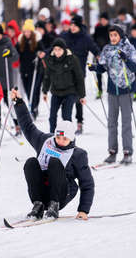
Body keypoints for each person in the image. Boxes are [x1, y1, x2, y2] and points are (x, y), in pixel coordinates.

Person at [10, 88, 95, 220]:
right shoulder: (45, 141)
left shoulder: (78, 155)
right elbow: (27, 126)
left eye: (65, 139)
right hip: (43, 189)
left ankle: (53, 206)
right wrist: (18, 102)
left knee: (55, 162)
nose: (60, 141)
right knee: (31, 163)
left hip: (62, 194)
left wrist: (84, 210)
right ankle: (38, 205)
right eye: (58, 138)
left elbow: (87, 183)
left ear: (71, 139)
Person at [89, 25, 136, 164]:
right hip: (112, 90)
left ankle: (127, 152)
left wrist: (126, 59)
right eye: (111, 36)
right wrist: (95, 68)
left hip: (126, 89)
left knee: (126, 122)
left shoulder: (129, 48)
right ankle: (112, 151)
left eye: (115, 35)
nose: (113, 38)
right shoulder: (107, 49)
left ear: (121, 36)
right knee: (112, 122)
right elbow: (103, 67)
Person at [61, 15, 100, 134]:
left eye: (74, 26)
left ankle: (79, 123)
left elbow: (94, 48)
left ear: (79, 26)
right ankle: (66, 123)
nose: (72, 27)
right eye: (71, 25)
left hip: (79, 72)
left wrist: (99, 56)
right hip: (65, 72)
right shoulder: (65, 36)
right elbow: (55, 47)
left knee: (78, 98)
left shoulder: (85, 38)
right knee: (65, 98)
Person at [42, 38, 85, 133]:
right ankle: (52, 135)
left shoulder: (72, 59)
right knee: (52, 116)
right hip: (56, 92)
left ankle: (68, 136)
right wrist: (44, 91)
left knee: (66, 116)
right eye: (55, 49)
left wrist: (81, 95)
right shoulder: (50, 60)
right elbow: (47, 76)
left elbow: (79, 77)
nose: (57, 52)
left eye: (59, 49)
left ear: (64, 49)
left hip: (70, 91)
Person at [16, 19, 44, 118]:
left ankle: (33, 108)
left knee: (34, 89)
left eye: (29, 31)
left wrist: (40, 54)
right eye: (25, 31)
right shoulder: (21, 41)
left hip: (35, 69)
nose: (27, 33)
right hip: (24, 69)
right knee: (27, 90)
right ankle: (33, 105)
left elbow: (42, 50)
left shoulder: (36, 40)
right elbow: (16, 52)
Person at [92, 12, 111, 98]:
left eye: (104, 19)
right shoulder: (97, 28)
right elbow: (93, 41)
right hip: (98, 54)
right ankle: (99, 90)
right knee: (98, 73)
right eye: (101, 19)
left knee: (110, 73)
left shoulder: (110, 28)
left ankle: (111, 90)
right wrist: (96, 53)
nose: (103, 21)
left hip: (108, 54)